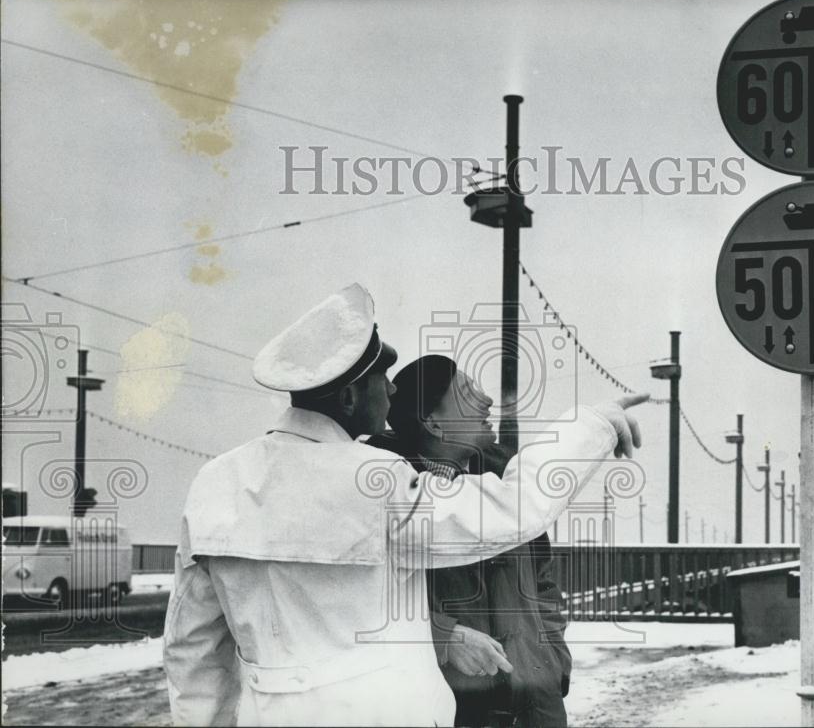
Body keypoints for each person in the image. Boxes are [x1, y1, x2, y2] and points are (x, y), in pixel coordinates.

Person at [163, 283, 647, 727]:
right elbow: (515, 508)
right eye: (383, 378)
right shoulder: (377, 484)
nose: (393, 391)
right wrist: (592, 424)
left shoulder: (215, 482)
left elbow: (194, 652)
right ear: (351, 397)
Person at [367, 355, 572, 728]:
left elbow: (544, 584)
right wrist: (443, 636)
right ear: (433, 422)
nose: (488, 401)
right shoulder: (383, 499)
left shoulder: (510, 488)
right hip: (445, 712)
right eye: (466, 393)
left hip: (534, 707)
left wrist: (553, 661)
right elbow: (360, 603)